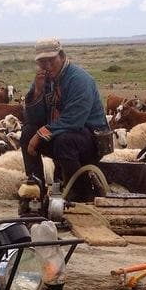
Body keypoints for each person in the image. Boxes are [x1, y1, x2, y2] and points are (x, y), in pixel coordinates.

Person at [21, 37, 109, 201]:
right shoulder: (43, 81)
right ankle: (36, 190)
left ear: (62, 56)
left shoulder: (79, 79)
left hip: (90, 138)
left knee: (64, 140)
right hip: (60, 133)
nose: (47, 66)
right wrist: (37, 92)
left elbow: (74, 120)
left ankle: (80, 193)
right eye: (42, 62)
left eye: (51, 60)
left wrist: (41, 134)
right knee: (27, 133)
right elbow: (33, 119)